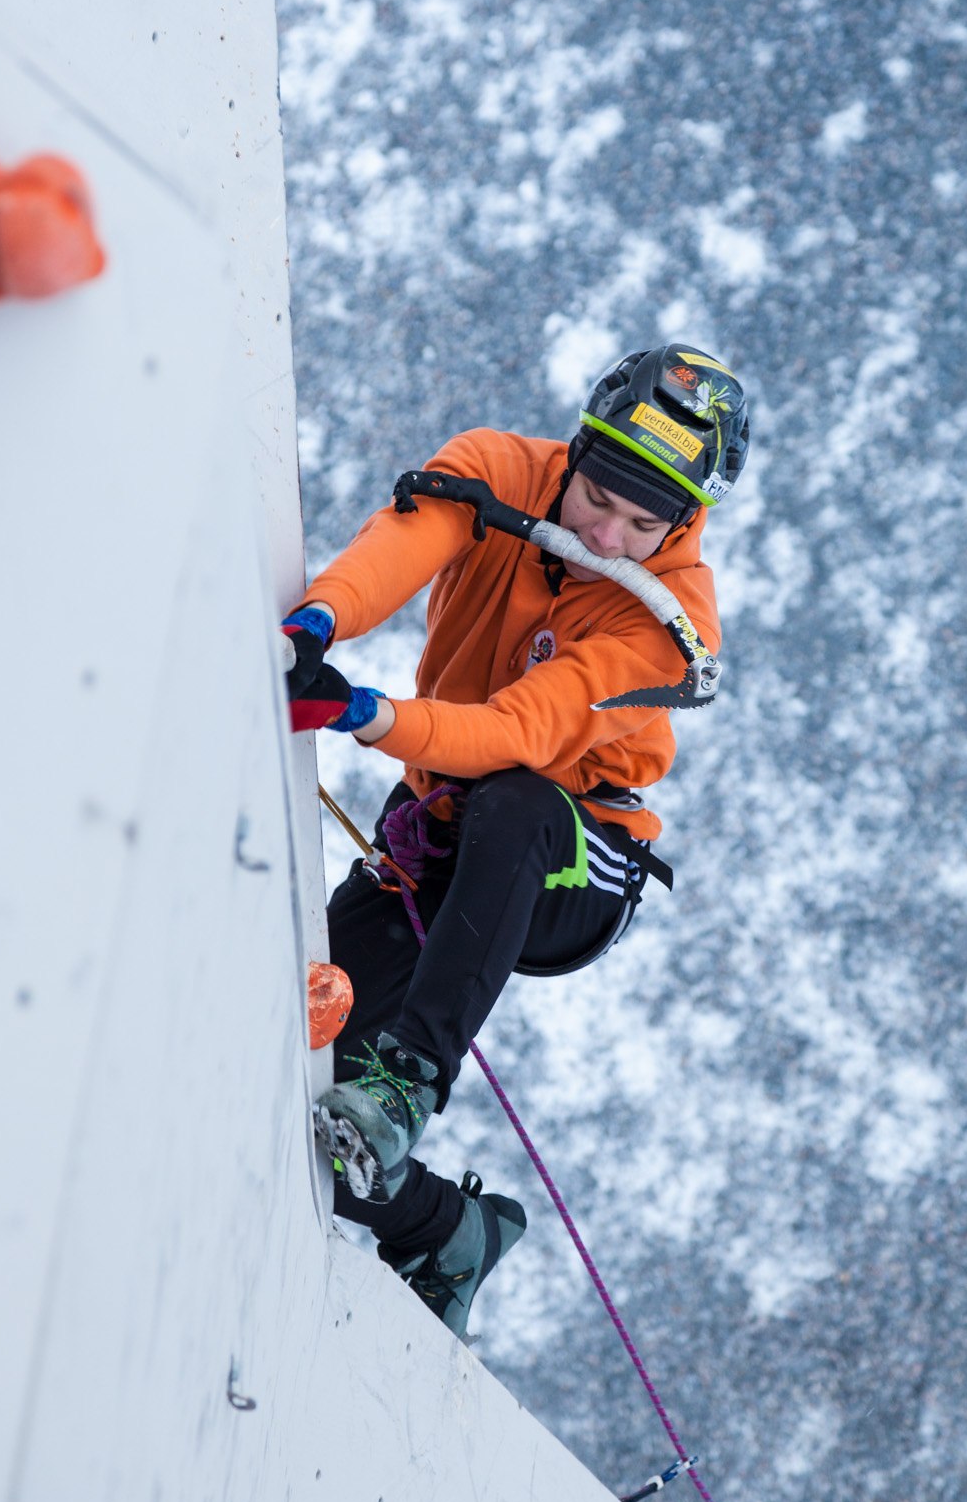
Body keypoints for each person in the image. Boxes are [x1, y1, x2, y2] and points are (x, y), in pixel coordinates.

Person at [283, 344, 749, 1337]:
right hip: (444, 833)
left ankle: (407, 1083)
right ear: (576, 447)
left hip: (574, 855)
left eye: (644, 519)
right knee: (297, 1072)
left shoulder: (672, 622)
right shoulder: (498, 467)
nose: (608, 532)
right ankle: (445, 1227)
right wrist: (320, 620)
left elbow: (526, 727)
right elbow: (403, 544)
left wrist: (368, 714)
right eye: (600, 495)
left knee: (515, 797)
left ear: (685, 518)